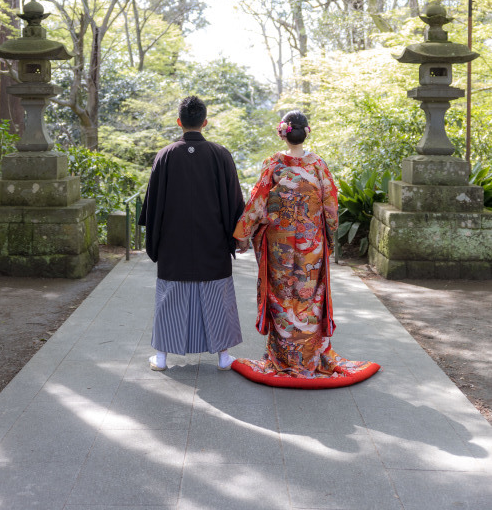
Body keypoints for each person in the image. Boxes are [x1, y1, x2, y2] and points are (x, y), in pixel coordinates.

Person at [232, 110, 379, 387]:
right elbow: (331, 206)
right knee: (309, 295)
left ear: (282, 133)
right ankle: (309, 356)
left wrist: (243, 235)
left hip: (279, 244)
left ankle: (284, 356)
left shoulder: (274, 164)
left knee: (282, 293)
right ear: (307, 131)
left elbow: (256, 203)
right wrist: (330, 234)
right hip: (311, 242)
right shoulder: (318, 166)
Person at [138, 95, 245, 372]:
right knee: (217, 296)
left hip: (174, 243)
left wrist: (155, 240)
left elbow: (152, 204)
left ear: (179, 122)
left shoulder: (165, 155)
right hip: (213, 242)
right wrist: (240, 236)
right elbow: (234, 200)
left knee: (170, 298)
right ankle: (223, 357)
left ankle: (161, 358)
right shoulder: (221, 154)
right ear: (205, 122)